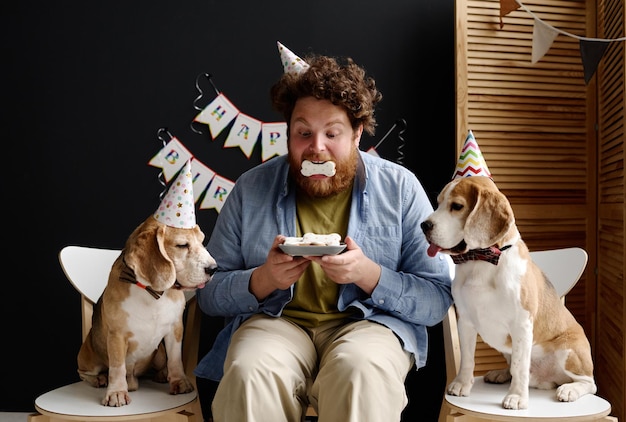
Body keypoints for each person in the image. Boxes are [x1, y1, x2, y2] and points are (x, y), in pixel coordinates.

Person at [194, 46, 453, 422]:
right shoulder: (251, 189)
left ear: (357, 133)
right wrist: (263, 279)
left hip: (369, 323)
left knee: (361, 370)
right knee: (250, 370)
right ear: (288, 132)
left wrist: (369, 275)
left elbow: (436, 299)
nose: (316, 148)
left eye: (332, 133)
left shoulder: (400, 188)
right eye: (303, 133)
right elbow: (210, 295)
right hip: (276, 322)